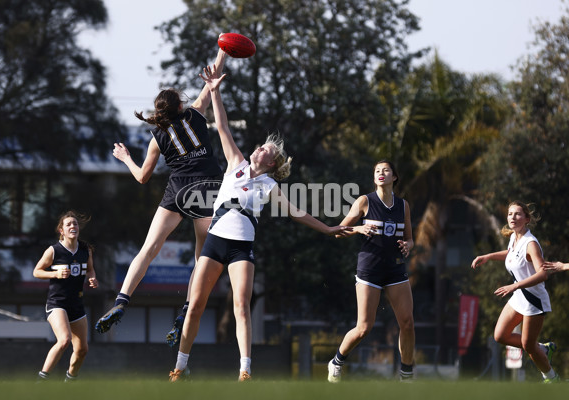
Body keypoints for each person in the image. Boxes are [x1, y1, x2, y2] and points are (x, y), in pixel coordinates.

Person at [168, 64, 350, 382]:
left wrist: (329, 228)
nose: (260, 147)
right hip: (214, 241)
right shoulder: (236, 164)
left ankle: (245, 370)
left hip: (241, 248)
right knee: (195, 305)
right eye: (261, 145)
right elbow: (222, 126)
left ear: (272, 162)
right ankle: (179, 368)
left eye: (266, 149)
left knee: (241, 306)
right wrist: (214, 90)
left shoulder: (269, 186)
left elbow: (296, 213)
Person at [95, 47, 228, 346]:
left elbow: (142, 177)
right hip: (206, 189)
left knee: (148, 249)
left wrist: (125, 157)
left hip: (177, 189)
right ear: (179, 106)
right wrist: (222, 51)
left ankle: (121, 300)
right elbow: (213, 79)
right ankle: (185, 310)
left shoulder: (157, 137)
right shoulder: (195, 112)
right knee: (201, 257)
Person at [326, 160, 415, 383]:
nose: (381, 173)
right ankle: (337, 361)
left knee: (407, 322)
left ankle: (406, 373)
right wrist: (359, 228)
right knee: (364, 327)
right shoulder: (365, 201)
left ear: (395, 177)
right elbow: (338, 231)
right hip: (370, 269)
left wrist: (409, 246)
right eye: (377, 171)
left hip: (395, 268)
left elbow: (410, 239)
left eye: (386, 170)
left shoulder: (403, 205)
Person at [471, 201, 559, 383]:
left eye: (518, 214)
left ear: (526, 219)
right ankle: (543, 348)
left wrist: (515, 286)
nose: (513, 217)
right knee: (500, 335)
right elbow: (511, 253)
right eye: (510, 214)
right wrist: (488, 256)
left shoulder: (531, 243)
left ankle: (552, 378)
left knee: (528, 345)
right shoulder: (514, 237)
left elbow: (543, 274)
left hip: (534, 300)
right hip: (519, 296)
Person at [33, 211, 98, 382]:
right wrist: (55, 274)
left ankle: (70, 381)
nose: (73, 226)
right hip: (57, 303)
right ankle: (42, 380)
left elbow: (90, 269)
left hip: (76, 303)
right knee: (64, 340)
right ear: (61, 230)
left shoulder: (86, 250)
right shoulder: (54, 251)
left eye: (75, 224)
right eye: (68, 224)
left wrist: (92, 278)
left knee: (82, 349)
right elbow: (37, 272)